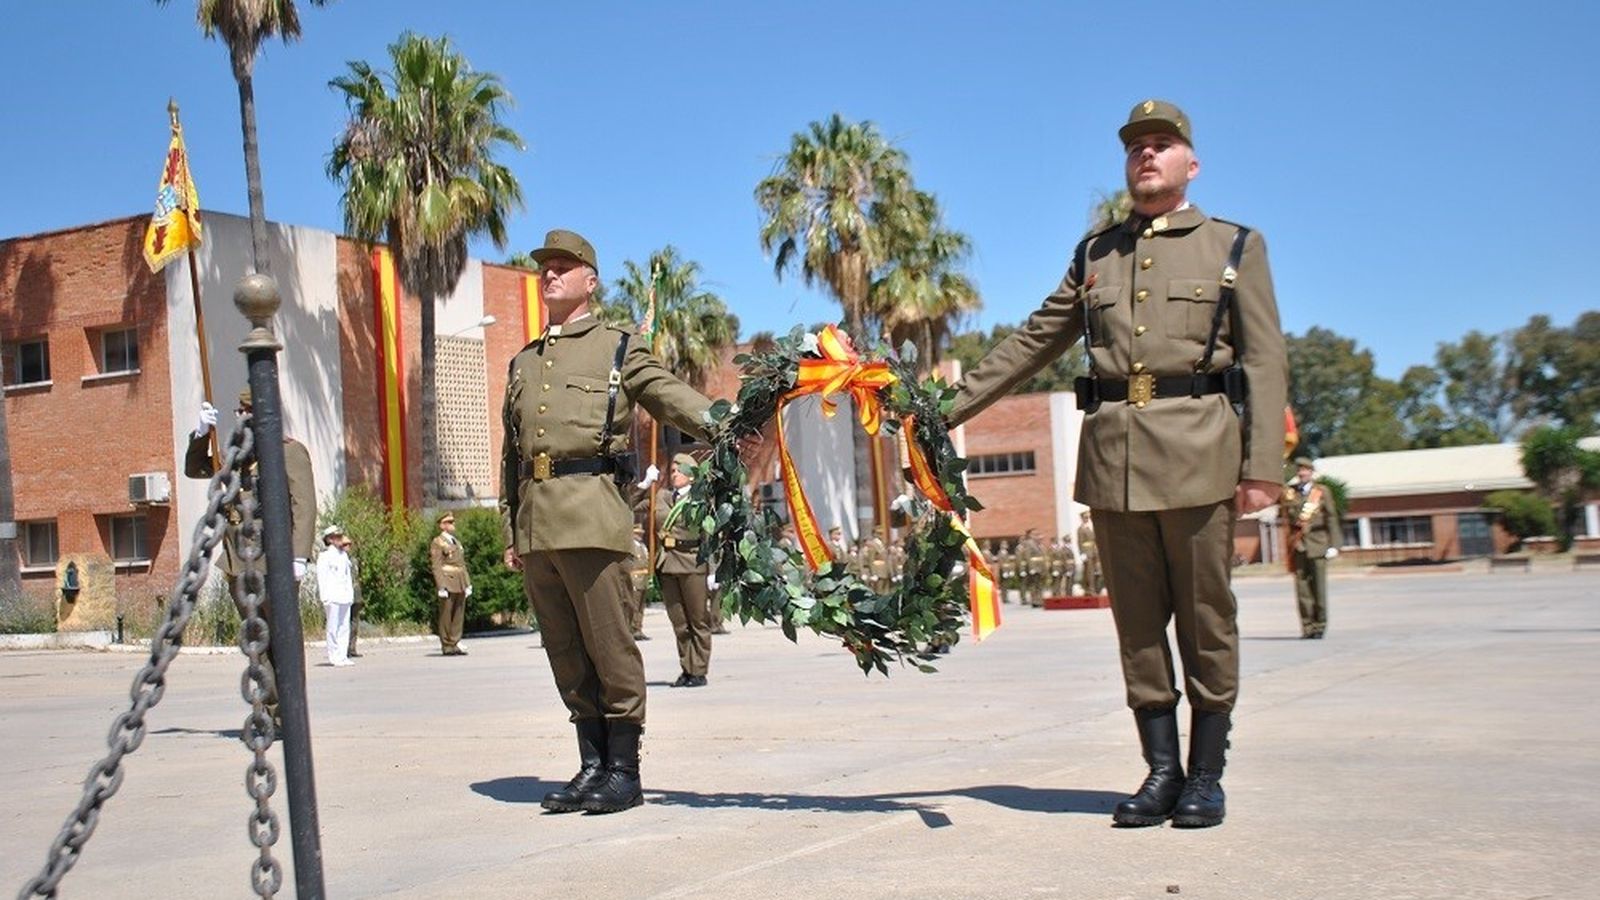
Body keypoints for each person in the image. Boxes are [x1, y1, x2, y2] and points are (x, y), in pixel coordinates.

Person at [946, 100, 1288, 829]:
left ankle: (1205, 774)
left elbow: (1264, 361)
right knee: (1136, 624)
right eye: (1136, 148)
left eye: (1161, 146)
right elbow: (1032, 341)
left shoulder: (1234, 246)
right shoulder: (1094, 255)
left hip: (1201, 453)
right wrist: (941, 411)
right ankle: (1160, 771)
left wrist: (1263, 467)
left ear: (1189, 163)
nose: (1146, 157)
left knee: (1205, 619)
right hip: (1114, 464)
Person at [499, 229, 718, 815]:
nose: (550, 274)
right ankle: (591, 764)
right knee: (564, 650)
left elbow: (669, 396)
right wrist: (509, 527)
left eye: (564, 267)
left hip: (592, 512)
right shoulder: (523, 360)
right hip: (537, 522)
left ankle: (625, 769)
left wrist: (724, 420)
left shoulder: (619, 345)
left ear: (589, 281)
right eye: (545, 266)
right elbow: (510, 454)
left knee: (608, 644)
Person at [188, 386, 317, 719]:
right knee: (256, 640)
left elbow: (304, 506)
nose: (243, 417)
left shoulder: (288, 452)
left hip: (273, 558)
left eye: (249, 410)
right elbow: (196, 468)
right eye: (240, 411)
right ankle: (269, 708)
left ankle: (290, 712)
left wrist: (298, 556)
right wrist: (202, 434)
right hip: (238, 559)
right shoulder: (232, 454)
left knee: (283, 640)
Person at [653, 452, 713, 688]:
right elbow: (635, 504)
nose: (674, 474)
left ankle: (699, 670)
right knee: (679, 622)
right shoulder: (662, 496)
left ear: (690, 476)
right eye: (673, 470)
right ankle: (686, 668)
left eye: (679, 471)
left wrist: (713, 570)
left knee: (698, 620)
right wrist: (644, 485)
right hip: (667, 563)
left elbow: (710, 535)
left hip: (692, 563)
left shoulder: (701, 501)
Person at [1282, 456, 1340, 639]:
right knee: (1302, 590)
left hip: (1318, 544)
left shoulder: (1321, 492)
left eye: (1305, 470)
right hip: (1299, 546)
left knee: (1319, 589)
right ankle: (1307, 627)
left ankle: (1320, 626)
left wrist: (1334, 544)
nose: (1302, 473)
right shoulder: (1290, 493)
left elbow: (1331, 517)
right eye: (1299, 470)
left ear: (1311, 472)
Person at [430, 511, 472, 657]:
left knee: (458, 613)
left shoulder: (456, 541)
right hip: (447, 580)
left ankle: (455, 642)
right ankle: (447, 644)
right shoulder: (438, 542)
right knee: (446, 614)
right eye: (450, 522)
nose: (453, 524)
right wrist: (441, 585)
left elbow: (462, 564)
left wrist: (467, 583)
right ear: (442, 525)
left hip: (459, 580)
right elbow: (436, 565)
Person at [316, 525, 356, 667]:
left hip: (344, 595)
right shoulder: (325, 556)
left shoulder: (343, 555)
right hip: (332, 596)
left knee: (344, 626)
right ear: (330, 539)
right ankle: (334, 655)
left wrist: (350, 594)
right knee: (333, 627)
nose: (340, 539)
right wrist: (324, 597)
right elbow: (322, 577)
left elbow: (347, 577)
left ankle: (342, 655)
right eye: (337, 537)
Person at [625, 524, 651, 641]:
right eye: (638, 533)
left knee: (641, 607)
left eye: (641, 533)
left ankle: (638, 628)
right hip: (635, 578)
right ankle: (632, 629)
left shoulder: (643, 546)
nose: (640, 535)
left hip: (643, 579)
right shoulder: (631, 547)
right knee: (634, 606)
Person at [1077, 511, 1103, 595]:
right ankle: (1090, 589)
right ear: (1082, 518)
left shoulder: (1091, 527)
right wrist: (1082, 553)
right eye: (1085, 517)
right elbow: (1080, 542)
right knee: (1089, 571)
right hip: (1087, 551)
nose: (1087, 519)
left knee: (1097, 570)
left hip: (1094, 551)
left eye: (1088, 517)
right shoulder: (1081, 529)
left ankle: (1096, 588)